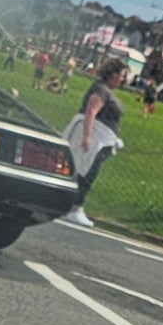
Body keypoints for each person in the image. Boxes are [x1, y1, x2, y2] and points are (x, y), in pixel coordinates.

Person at [62, 57, 125, 226]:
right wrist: (87, 137)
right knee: (85, 172)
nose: (122, 79)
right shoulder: (101, 90)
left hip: (103, 138)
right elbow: (91, 111)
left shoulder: (107, 91)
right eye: (121, 75)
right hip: (95, 137)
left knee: (88, 173)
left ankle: (73, 206)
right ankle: (75, 208)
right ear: (113, 74)